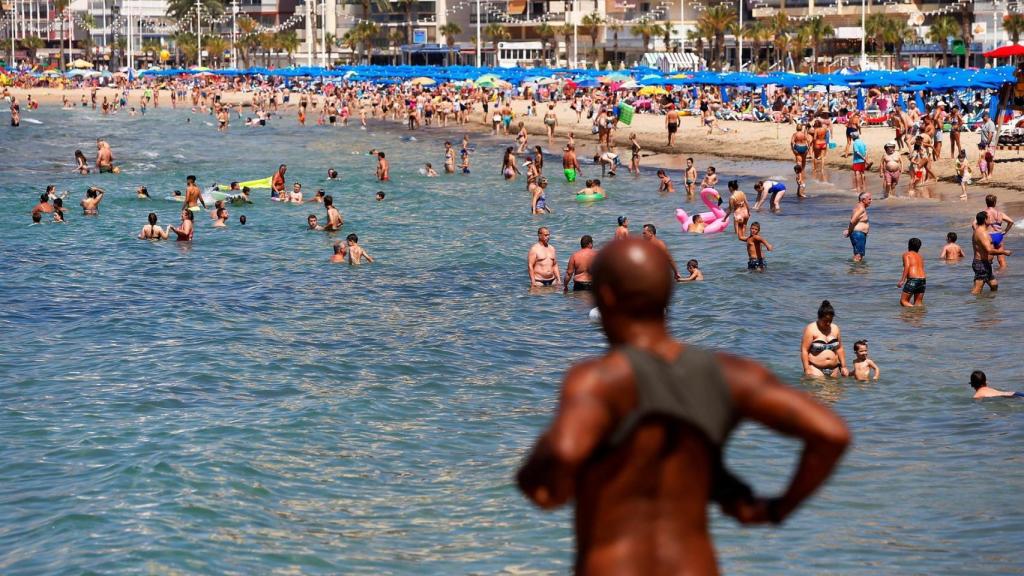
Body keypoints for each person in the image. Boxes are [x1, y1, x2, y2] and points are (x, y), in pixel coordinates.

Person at [517, 238, 850, 576]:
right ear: (667, 294)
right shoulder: (727, 373)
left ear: (606, 298)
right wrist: (777, 507)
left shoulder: (597, 381)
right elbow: (831, 433)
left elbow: (548, 480)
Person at [801, 300, 848, 377]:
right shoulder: (811, 329)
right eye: (825, 321)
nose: (828, 323)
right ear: (819, 317)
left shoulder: (835, 328)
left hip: (834, 369)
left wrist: (844, 366)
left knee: (835, 389)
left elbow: (840, 349)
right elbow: (804, 350)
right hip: (816, 369)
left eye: (830, 320)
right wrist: (807, 369)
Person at [972, 211, 1012, 295]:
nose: (991, 219)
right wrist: (1004, 252)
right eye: (989, 218)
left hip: (985, 264)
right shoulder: (982, 233)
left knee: (994, 285)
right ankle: (970, 305)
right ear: (985, 220)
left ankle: (988, 302)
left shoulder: (980, 230)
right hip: (981, 264)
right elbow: (989, 250)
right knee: (977, 290)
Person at [981, 194, 1014, 269]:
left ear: (986, 202)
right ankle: (1002, 275)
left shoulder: (984, 213)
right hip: (999, 236)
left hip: (989, 237)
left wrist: (980, 234)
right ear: (995, 203)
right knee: (1002, 260)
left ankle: (989, 276)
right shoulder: (1000, 213)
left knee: (988, 260)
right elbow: (1011, 222)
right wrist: (1005, 231)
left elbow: (974, 224)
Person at [897, 237, 926, 307]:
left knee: (903, 301)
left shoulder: (907, 254)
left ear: (909, 245)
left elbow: (907, 266)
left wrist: (902, 280)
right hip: (922, 279)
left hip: (913, 279)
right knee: (918, 303)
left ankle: (913, 310)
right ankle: (918, 316)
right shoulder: (920, 256)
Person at [843, 191, 871, 262]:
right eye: (869, 199)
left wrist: (849, 230)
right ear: (863, 200)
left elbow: (854, 220)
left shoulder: (858, 207)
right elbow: (852, 221)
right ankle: (856, 272)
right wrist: (849, 231)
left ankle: (856, 271)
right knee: (858, 256)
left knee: (859, 256)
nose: (871, 201)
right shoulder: (861, 209)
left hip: (858, 234)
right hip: (858, 234)